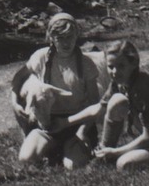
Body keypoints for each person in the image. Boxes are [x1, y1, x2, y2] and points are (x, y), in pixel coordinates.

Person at [70, 39, 149, 171]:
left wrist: (117, 152)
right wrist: (66, 122)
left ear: (134, 63)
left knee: (124, 164)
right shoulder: (119, 82)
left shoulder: (142, 88)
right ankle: (104, 155)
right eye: (110, 67)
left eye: (121, 66)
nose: (114, 71)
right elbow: (99, 108)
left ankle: (111, 155)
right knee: (116, 101)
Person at [10, 12, 102, 171]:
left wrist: (82, 131)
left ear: (76, 36)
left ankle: (68, 148)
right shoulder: (40, 57)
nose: (66, 43)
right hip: (47, 122)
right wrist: (15, 103)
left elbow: (95, 105)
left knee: (74, 166)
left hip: (76, 122)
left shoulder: (86, 64)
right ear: (51, 38)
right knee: (26, 159)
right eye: (60, 38)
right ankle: (55, 147)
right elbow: (18, 78)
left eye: (70, 37)